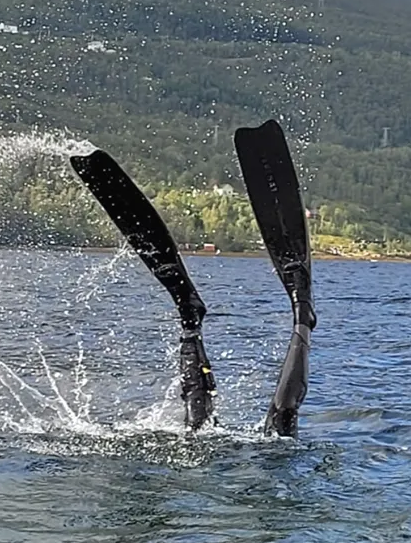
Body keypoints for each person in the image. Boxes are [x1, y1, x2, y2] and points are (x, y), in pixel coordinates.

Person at [70, 119, 314, 437]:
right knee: (276, 429)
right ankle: (301, 313)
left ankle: (191, 317)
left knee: (198, 429)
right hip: (235, 461)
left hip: (198, 460)